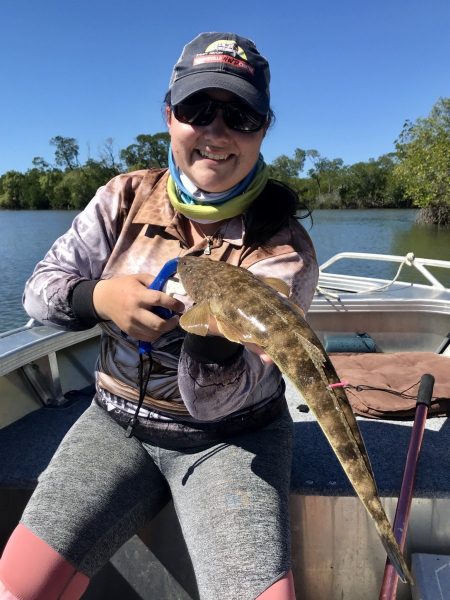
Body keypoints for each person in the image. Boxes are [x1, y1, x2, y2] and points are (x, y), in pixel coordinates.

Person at [0, 32, 318, 600]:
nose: (216, 131)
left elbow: (215, 402)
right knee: (20, 581)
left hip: (232, 440)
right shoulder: (124, 197)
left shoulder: (283, 249)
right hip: (115, 420)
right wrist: (99, 299)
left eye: (241, 116)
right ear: (170, 115)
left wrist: (214, 343)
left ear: (264, 128)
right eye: (198, 109)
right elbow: (38, 293)